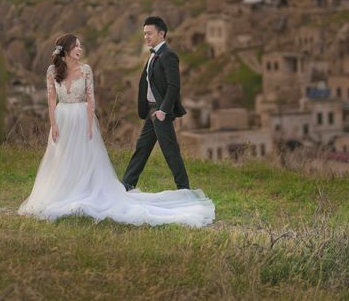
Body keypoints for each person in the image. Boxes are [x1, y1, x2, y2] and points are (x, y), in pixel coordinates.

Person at [18, 33, 214, 227]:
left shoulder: (86, 70)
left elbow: (90, 99)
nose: (80, 49)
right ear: (66, 50)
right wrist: (53, 124)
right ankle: (64, 191)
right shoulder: (52, 71)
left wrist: (89, 125)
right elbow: (51, 100)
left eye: (80, 45)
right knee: (62, 157)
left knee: (85, 156)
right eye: (76, 46)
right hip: (62, 117)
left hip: (81, 117)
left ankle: (90, 190)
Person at [122, 16, 189, 191]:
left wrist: (163, 111)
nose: (146, 37)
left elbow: (173, 86)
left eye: (149, 33)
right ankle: (126, 186)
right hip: (152, 110)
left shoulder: (168, 55)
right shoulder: (153, 55)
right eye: (144, 33)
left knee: (170, 151)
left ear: (161, 33)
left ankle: (184, 189)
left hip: (160, 112)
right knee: (142, 148)